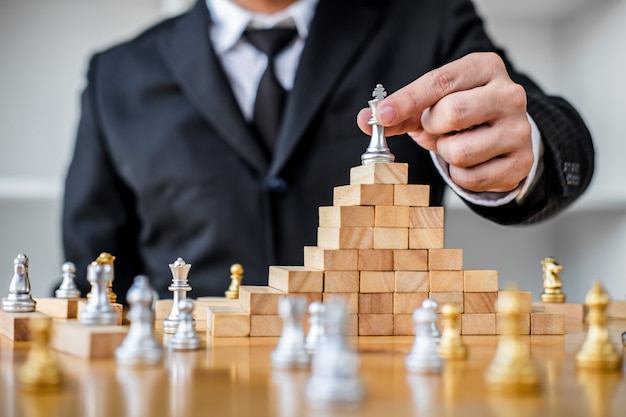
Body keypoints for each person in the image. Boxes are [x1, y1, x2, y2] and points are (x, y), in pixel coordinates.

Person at [62, 0, 594, 303]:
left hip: (387, 375)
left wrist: (525, 149)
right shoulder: (117, 73)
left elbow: (560, 136)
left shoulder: (427, 21)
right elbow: (95, 266)